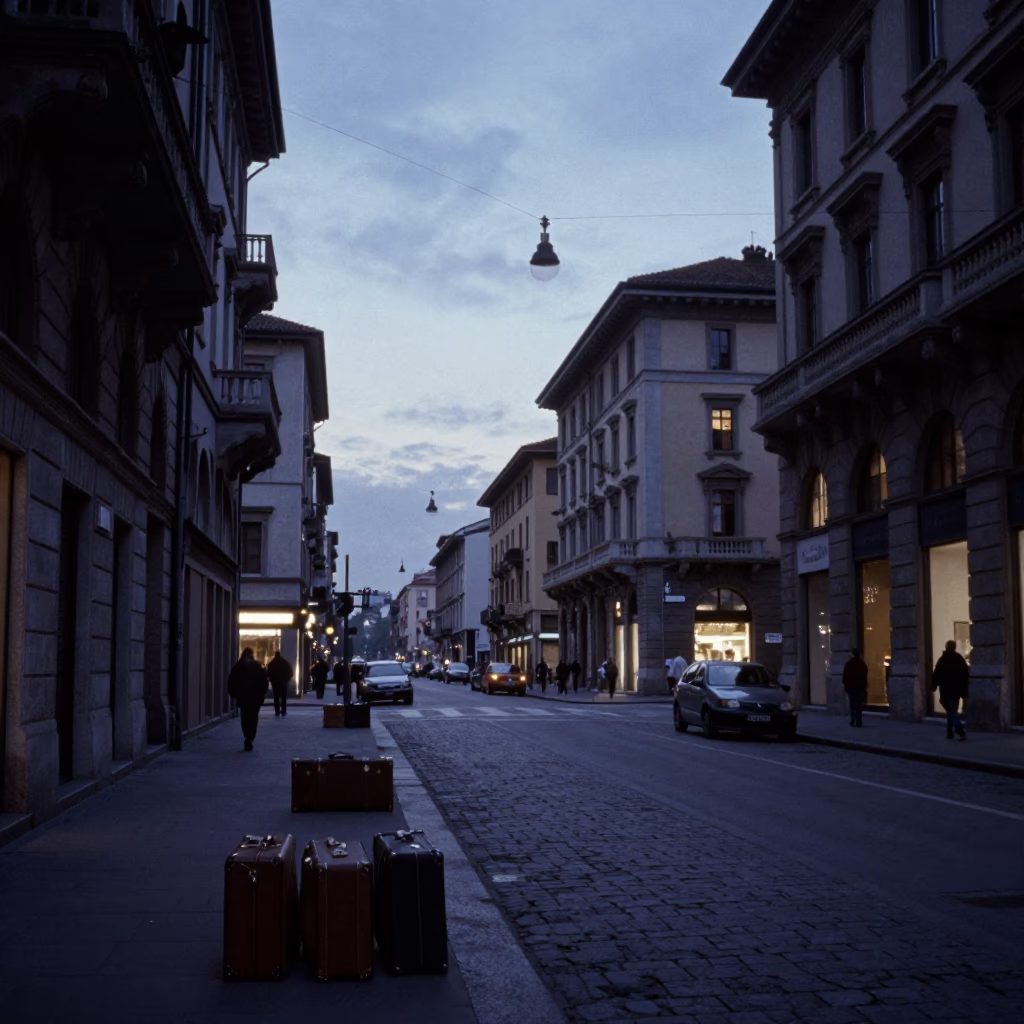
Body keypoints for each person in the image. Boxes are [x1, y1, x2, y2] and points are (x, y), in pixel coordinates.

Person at [227, 647, 268, 751]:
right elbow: (264, 682)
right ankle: (250, 737)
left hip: (243, 697)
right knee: (253, 718)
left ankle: (247, 735)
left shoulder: (238, 666)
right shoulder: (257, 666)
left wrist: (235, 694)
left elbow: (231, 682)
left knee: (245, 718)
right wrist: (262, 694)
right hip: (255, 698)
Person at [932, 639, 969, 740]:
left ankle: (957, 729)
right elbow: (965, 674)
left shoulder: (943, 659)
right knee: (952, 710)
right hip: (956, 690)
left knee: (951, 711)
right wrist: (964, 689)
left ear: (946, 647)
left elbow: (937, 674)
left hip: (946, 690)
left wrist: (933, 686)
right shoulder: (959, 658)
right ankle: (949, 732)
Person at [842, 648, 869, 727]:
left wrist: (846, 685)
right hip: (860, 687)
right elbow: (865, 674)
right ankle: (859, 721)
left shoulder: (849, 663)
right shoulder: (862, 663)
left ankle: (853, 719)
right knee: (859, 704)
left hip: (851, 687)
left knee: (852, 704)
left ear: (852, 654)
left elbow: (845, 676)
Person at [266, 650, 292, 717]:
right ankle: (283, 711)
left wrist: (271, 680)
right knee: (283, 697)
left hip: (275, 683)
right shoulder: (284, 662)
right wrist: (287, 679)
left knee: (276, 697)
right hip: (283, 682)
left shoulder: (272, 663)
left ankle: (277, 711)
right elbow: (290, 672)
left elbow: (268, 673)